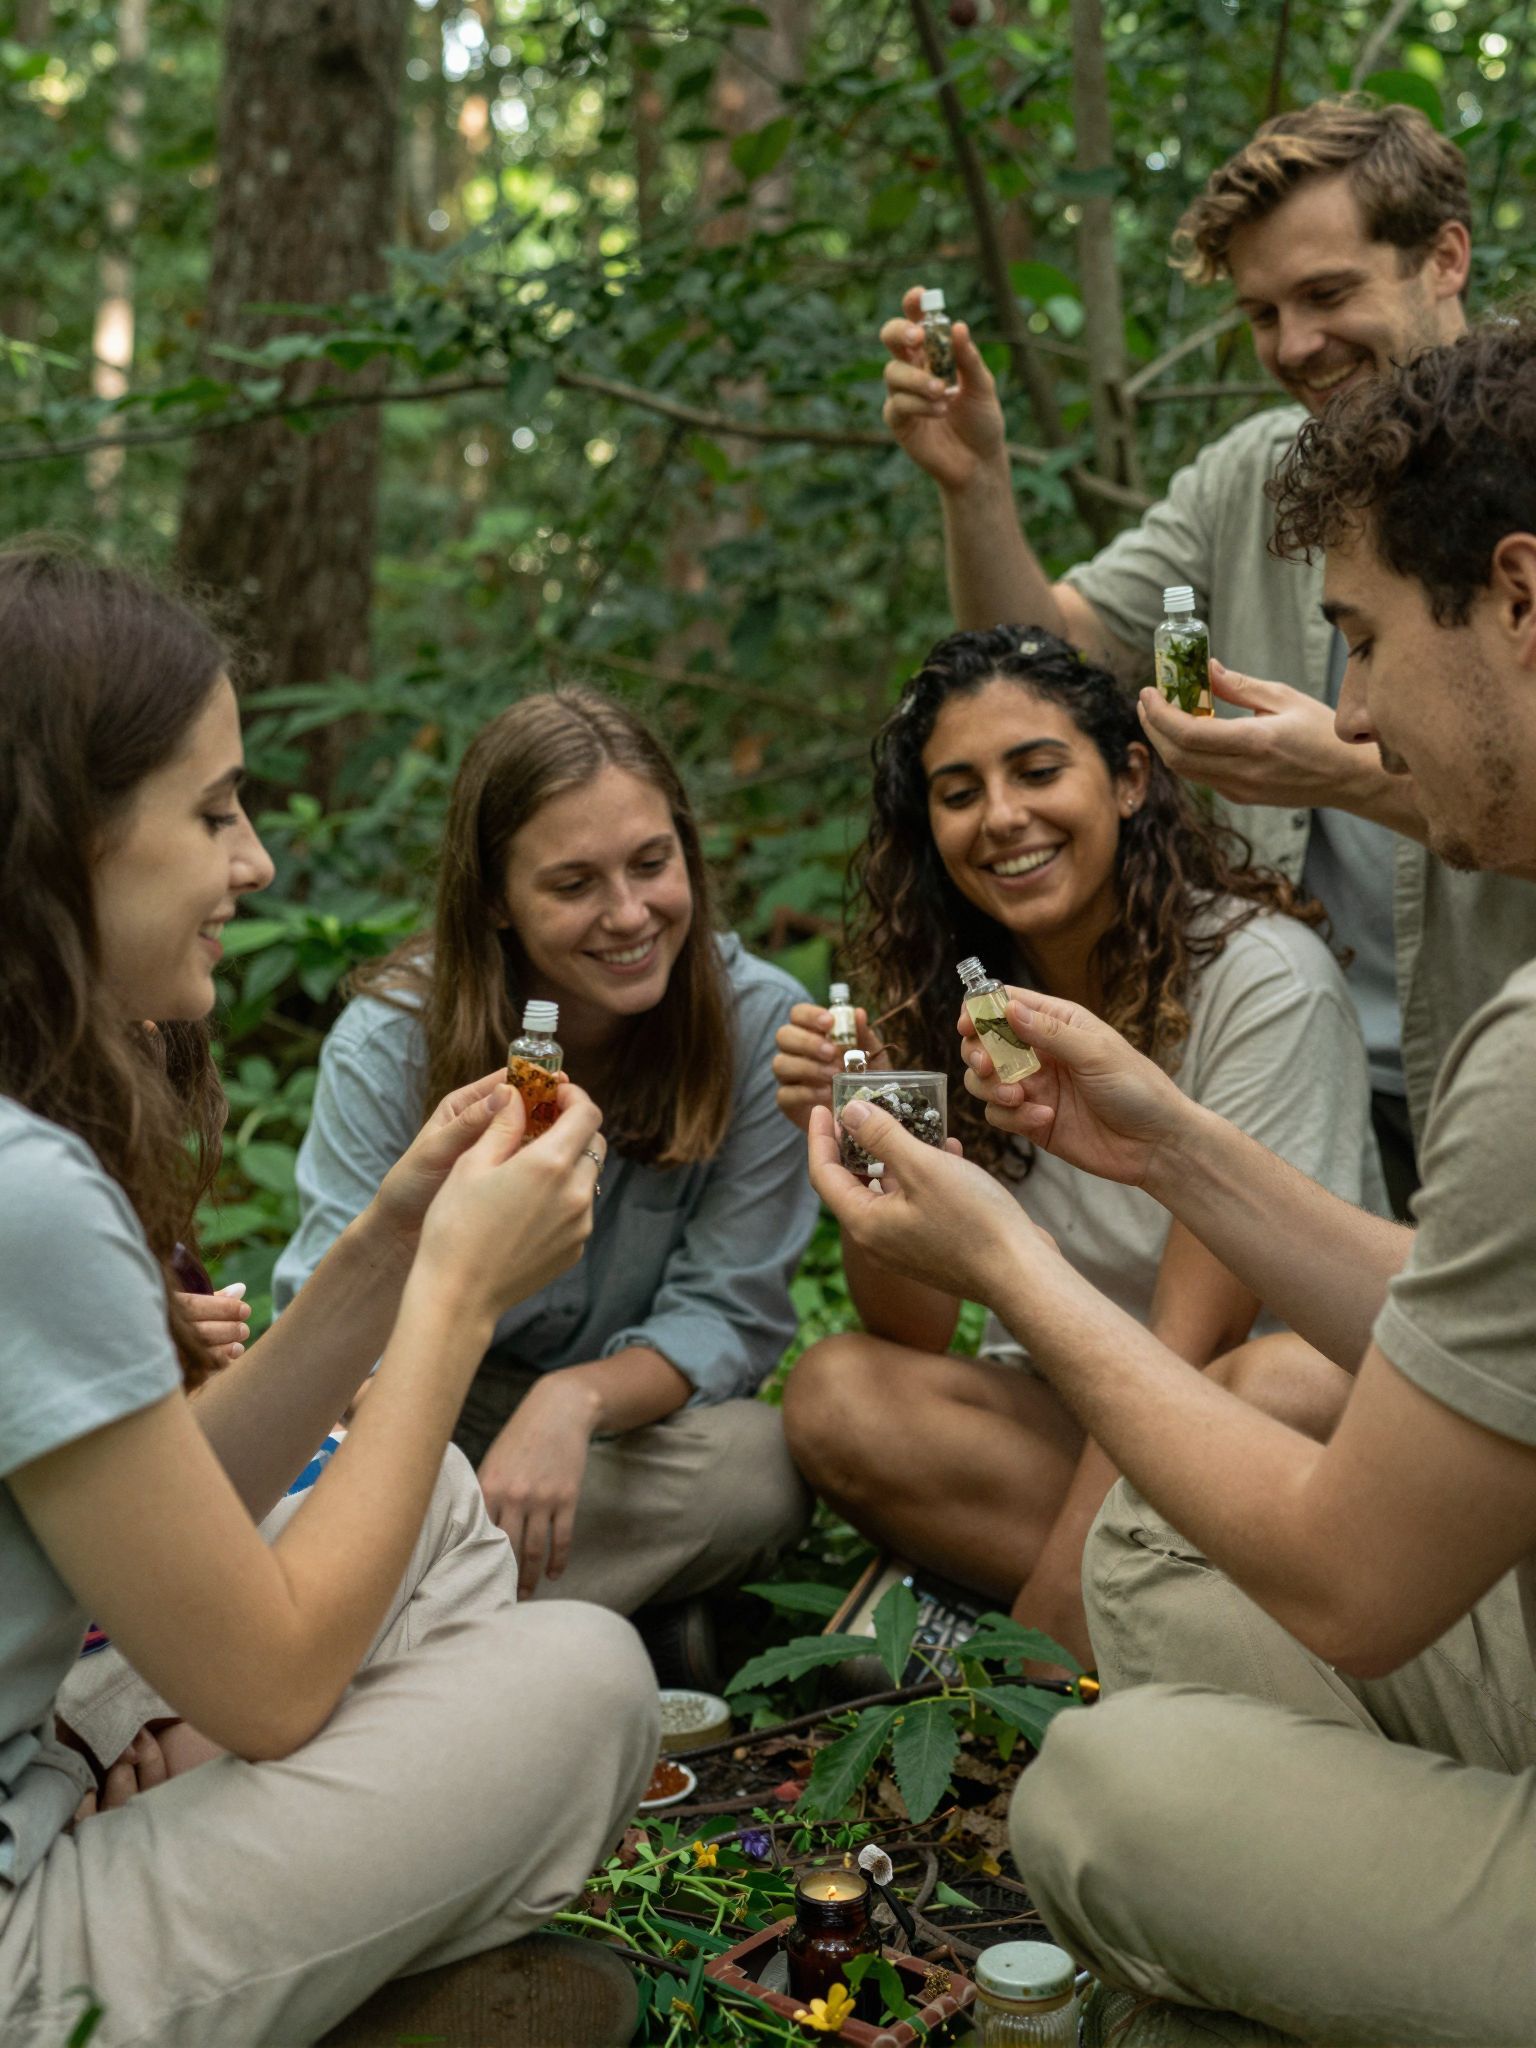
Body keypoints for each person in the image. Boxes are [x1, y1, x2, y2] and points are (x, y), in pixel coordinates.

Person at [808, 316, 1536, 2043]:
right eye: (956, 793)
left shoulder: (1460, 1024)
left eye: (1358, 639)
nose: (1342, 713)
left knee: (1094, 1794)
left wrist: (1010, 1250)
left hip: (1364, 1531)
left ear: (1517, 595)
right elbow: (1460, 1315)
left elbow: (1358, 1575)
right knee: (1147, 1540)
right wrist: (1168, 1142)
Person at [0, 545, 659, 2048]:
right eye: (213, 811)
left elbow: (140, 1516)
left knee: (422, 1491)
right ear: (66, 838)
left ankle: (324, 1935)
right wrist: (454, 1295)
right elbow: (277, 1690)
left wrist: (383, 1251)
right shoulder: (25, 1194)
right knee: (586, 1676)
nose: (257, 865)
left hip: (40, 1743)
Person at [881, 95, 1536, 1216]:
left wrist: (1338, 773)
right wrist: (974, 479)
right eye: (1262, 313)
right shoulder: (1254, 477)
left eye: (1328, 294)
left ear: (1444, 257)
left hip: (1502, 1072)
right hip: (1300, 1078)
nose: (1294, 346)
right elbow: (1048, 654)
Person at [773, 625, 1382, 1663]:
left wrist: (1036, 1646)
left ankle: (1050, 1624)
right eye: (958, 791)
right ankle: (1171, 1614)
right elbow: (914, 1330)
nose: (1002, 816)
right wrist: (866, 1127)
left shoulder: (1260, 981)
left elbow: (1190, 1343)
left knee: (1284, 1382)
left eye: (1038, 769)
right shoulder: (961, 994)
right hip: (1078, 1416)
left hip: (1252, 1419)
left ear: (1131, 778)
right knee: (837, 1391)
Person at [275, 687, 815, 1623]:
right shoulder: (390, 1043)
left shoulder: (759, 1023)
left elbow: (726, 1309)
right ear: (494, 901)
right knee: (319, 1479)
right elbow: (335, 1325)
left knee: (758, 1471)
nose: (630, 914)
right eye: (573, 886)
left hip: (626, 1429)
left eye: (653, 863)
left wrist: (573, 1402)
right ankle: (500, 1607)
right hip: (424, 1409)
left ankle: (400, 1616)